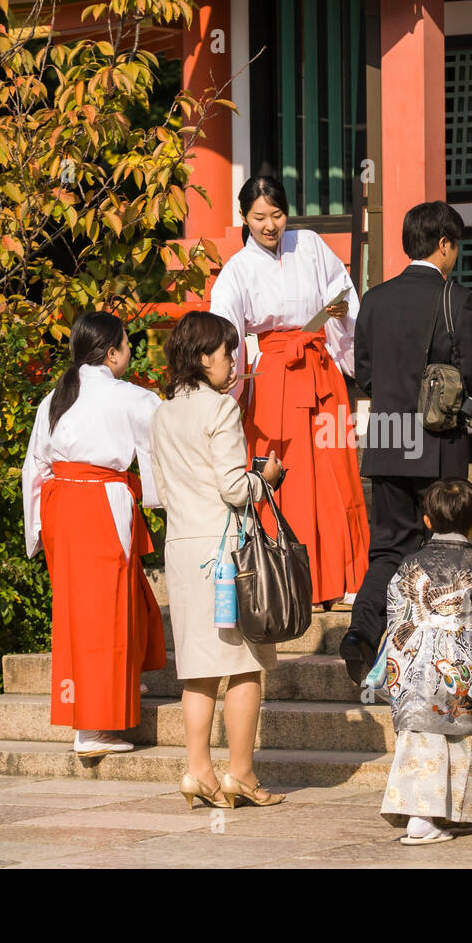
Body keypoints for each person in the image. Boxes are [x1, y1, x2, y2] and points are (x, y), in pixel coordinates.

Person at [340, 201, 472, 683]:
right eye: (456, 247)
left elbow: (363, 370)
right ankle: (434, 656)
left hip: (387, 440)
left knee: (388, 548)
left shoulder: (375, 298)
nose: (455, 257)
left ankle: (361, 634)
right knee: (443, 546)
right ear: (444, 244)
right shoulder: (458, 298)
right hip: (438, 443)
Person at [209, 175, 369, 612]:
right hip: (274, 378)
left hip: (320, 369)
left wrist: (350, 351)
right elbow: (227, 333)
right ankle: (291, 578)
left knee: (337, 474)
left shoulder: (311, 244)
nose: (270, 226)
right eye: (259, 217)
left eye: (277, 215)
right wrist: (230, 392)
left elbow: (344, 296)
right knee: (287, 479)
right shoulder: (236, 271)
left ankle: (344, 576)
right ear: (243, 217)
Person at [150, 311, 287, 810]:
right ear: (204, 357)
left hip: (183, 547)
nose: (233, 362)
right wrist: (266, 479)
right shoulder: (222, 410)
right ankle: (242, 774)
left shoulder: (161, 413)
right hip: (226, 555)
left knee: (199, 669)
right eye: (227, 352)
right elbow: (233, 486)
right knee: (245, 666)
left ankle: (199, 772)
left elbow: (162, 489)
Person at [22, 310, 165, 758]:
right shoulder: (132, 398)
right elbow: (158, 449)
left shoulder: (56, 396)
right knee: (105, 613)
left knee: (82, 611)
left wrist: (38, 527)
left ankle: (113, 683)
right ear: (111, 352)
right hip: (101, 502)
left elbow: (34, 466)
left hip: (61, 505)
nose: (130, 350)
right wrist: (163, 501)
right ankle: (92, 726)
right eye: (126, 342)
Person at [372, 479, 472, 844]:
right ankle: (458, 815)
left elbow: (395, 618)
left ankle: (423, 814)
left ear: (426, 520)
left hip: (413, 674)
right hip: (461, 675)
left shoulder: (407, 566)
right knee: (471, 733)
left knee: (424, 740)